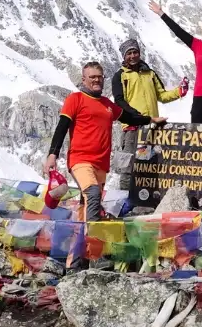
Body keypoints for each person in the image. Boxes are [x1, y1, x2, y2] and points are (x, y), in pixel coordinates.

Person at [44, 61, 167, 221]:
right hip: (80, 160)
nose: (96, 80)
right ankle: (94, 236)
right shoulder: (75, 99)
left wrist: (151, 119)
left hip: (101, 163)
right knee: (93, 193)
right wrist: (52, 155)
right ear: (84, 79)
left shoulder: (107, 104)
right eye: (92, 77)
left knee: (88, 201)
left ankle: (81, 241)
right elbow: (62, 127)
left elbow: (129, 117)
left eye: (99, 77)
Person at [112, 39, 187, 153]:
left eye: (135, 52)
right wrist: (134, 115)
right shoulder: (120, 76)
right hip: (132, 128)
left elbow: (162, 95)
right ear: (124, 56)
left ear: (139, 53)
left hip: (152, 126)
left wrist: (179, 92)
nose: (132, 56)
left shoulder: (150, 73)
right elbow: (119, 100)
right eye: (129, 53)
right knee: (129, 164)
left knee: (150, 164)